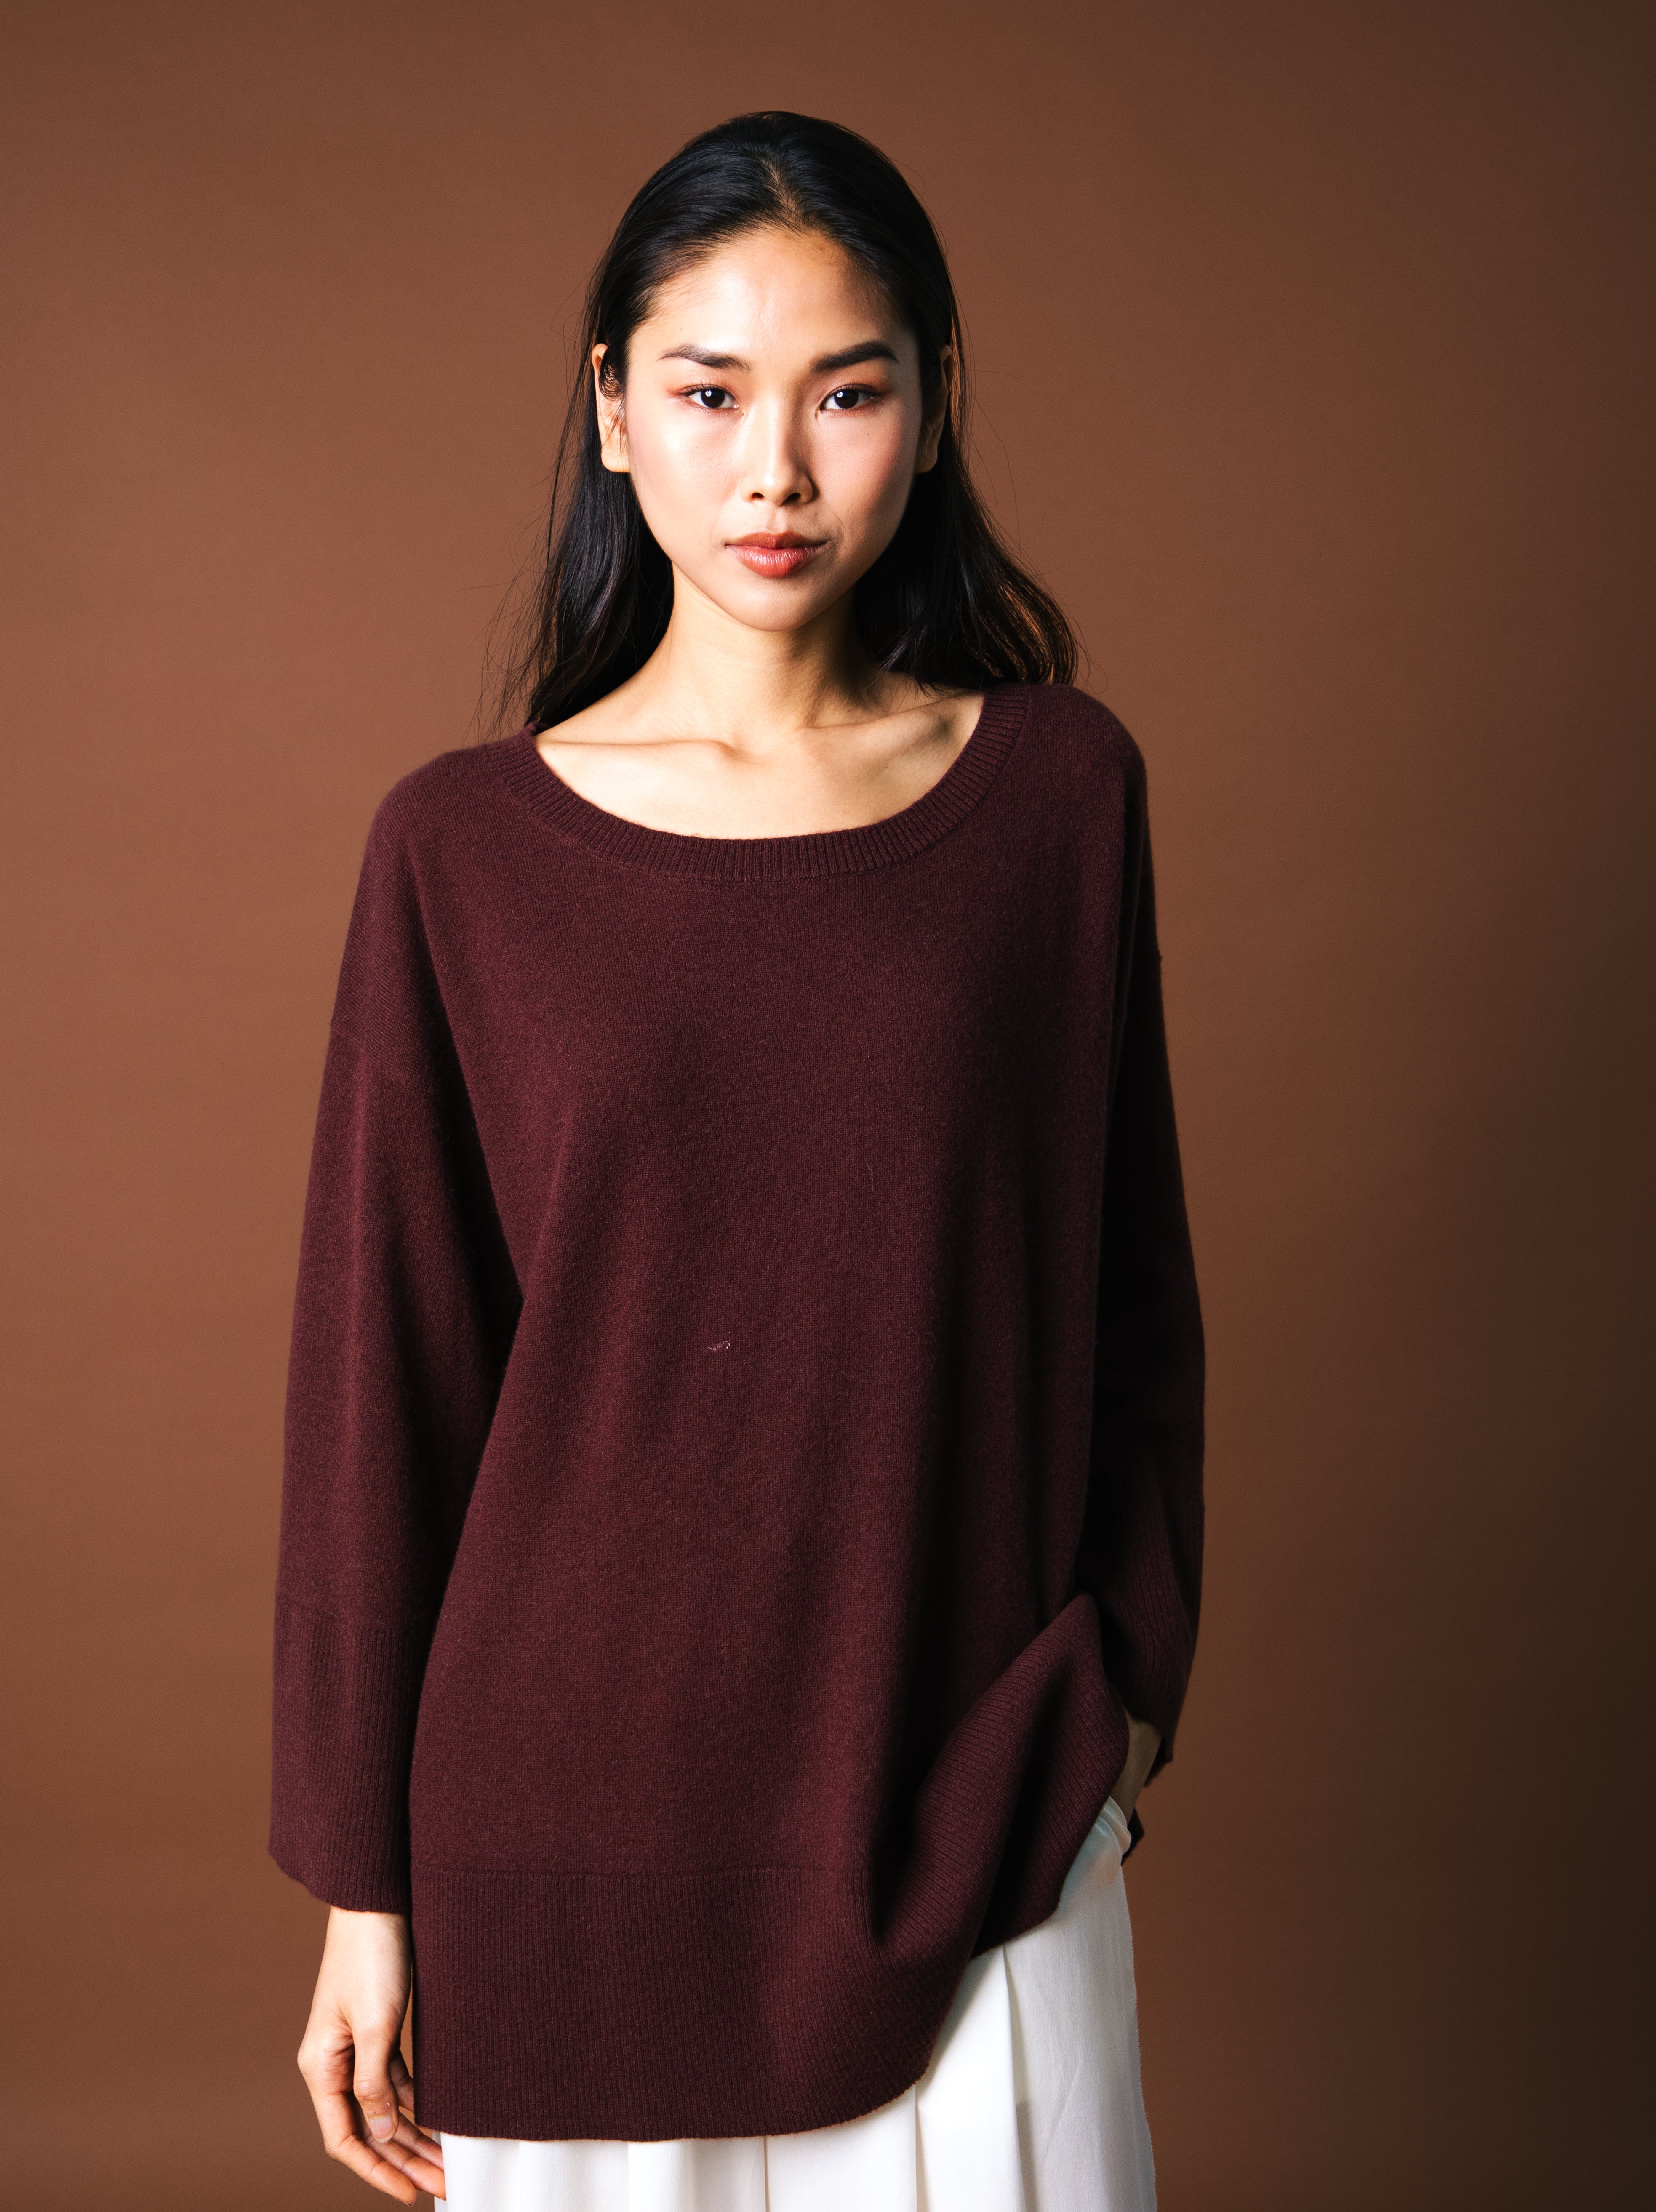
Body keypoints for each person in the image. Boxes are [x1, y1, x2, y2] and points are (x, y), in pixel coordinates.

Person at [271, 110, 1205, 2212]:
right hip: (561, 1850)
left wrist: (1121, 1702)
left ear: (932, 409)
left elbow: (1132, 1298)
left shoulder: (1055, 800)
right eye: (707, 395)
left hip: (978, 1812)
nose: (773, 469)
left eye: (843, 396)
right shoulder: (460, 854)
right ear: (613, 412)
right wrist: (362, 1893)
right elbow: (385, 1396)